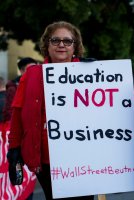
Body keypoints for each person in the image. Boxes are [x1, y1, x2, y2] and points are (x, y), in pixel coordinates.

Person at [7, 21, 94, 200]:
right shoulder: (31, 75)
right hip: (46, 161)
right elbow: (17, 113)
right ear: (47, 44)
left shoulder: (92, 74)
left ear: (75, 46)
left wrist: (96, 74)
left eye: (67, 41)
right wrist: (14, 148)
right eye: (55, 40)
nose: (61, 44)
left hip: (83, 159)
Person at [3, 57, 36, 122]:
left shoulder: (40, 83)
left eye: (36, 68)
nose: (34, 71)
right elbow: (9, 111)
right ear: (21, 71)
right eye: (30, 69)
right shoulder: (13, 88)